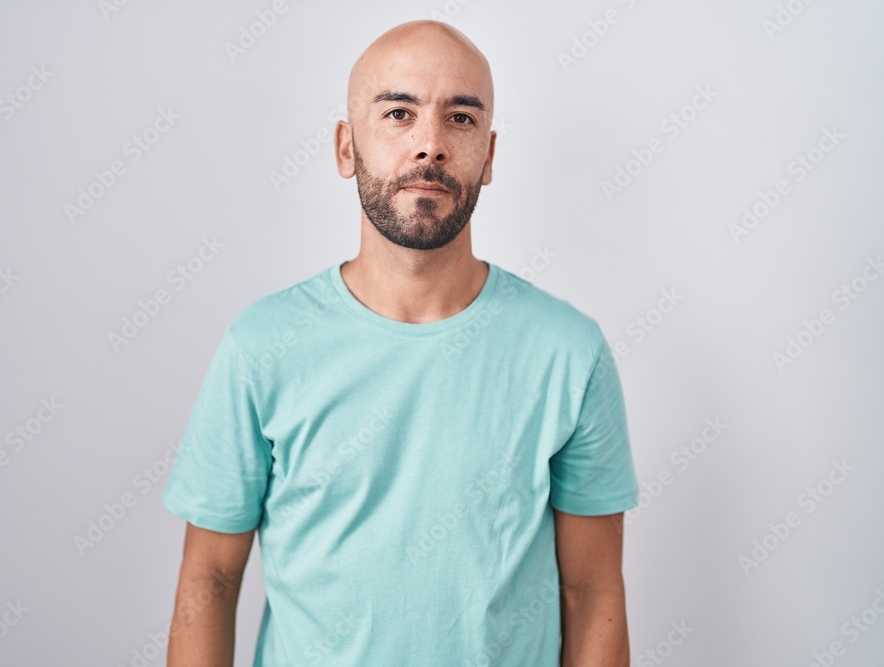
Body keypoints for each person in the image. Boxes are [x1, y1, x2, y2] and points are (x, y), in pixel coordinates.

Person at [163, 19, 639, 666]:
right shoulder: (262, 347)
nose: (430, 146)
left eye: (460, 119)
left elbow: (592, 591)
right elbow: (211, 580)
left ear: (489, 157)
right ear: (346, 147)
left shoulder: (569, 353)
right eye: (398, 113)